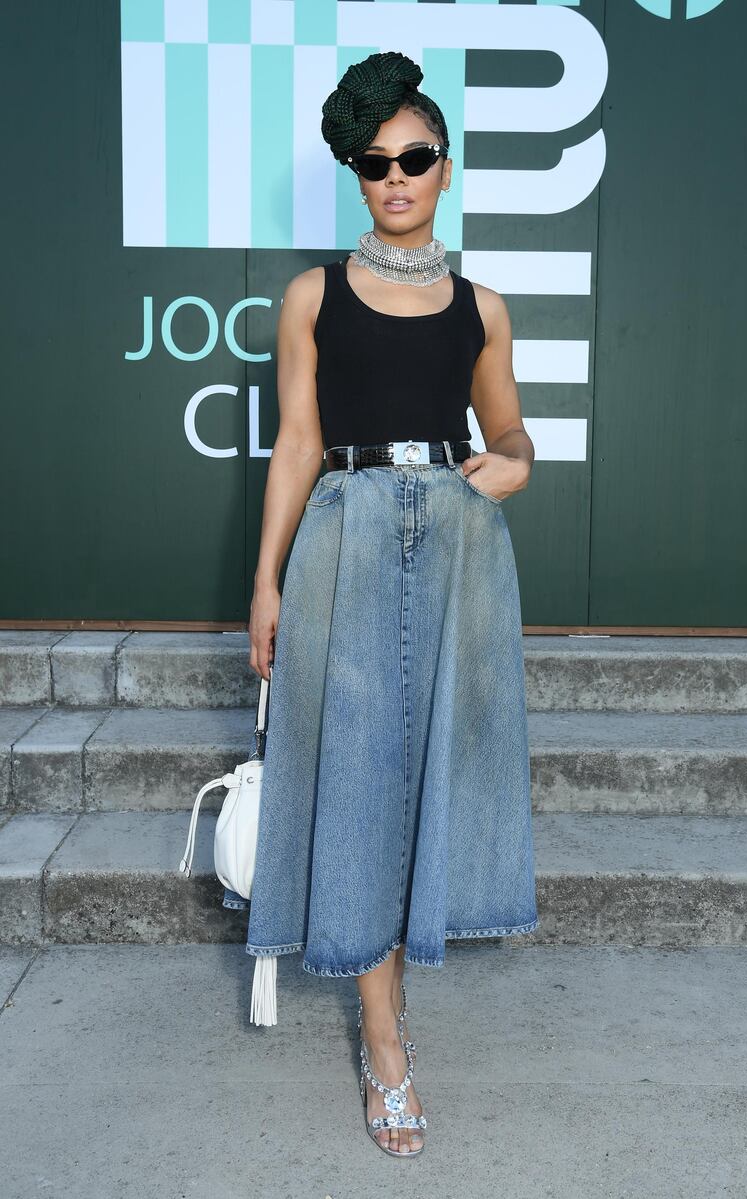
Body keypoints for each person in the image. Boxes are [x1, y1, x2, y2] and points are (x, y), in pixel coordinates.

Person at [239, 50, 538, 1157]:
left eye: (414, 157)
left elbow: (507, 436)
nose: (395, 176)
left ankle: (388, 1011)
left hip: (456, 548)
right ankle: (386, 1041)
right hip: (344, 542)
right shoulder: (311, 296)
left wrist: (508, 464)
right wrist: (265, 581)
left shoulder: (483, 308)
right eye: (375, 163)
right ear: (358, 177)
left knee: (430, 774)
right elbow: (298, 445)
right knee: (361, 777)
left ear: (444, 170)